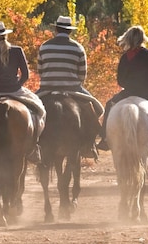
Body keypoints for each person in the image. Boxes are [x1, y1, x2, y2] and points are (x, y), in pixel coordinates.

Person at [0, 20, 47, 164]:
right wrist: (16, 86)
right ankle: (34, 146)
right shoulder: (17, 50)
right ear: (5, 35)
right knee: (40, 110)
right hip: (15, 90)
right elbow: (25, 75)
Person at [36, 15, 105, 160]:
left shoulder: (45, 46)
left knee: (31, 111)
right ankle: (89, 145)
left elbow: (40, 70)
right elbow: (82, 74)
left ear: (55, 29)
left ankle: (33, 146)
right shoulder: (78, 47)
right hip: (73, 89)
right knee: (98, 110)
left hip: (46, 88)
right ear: (70, 31)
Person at [96, 25, 148, 160]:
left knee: (109, 104)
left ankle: (104, 138)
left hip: (129, 93)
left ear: (127, 39)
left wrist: (131, 85)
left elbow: (120, 80)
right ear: (142, 39)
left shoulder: (125, 57)